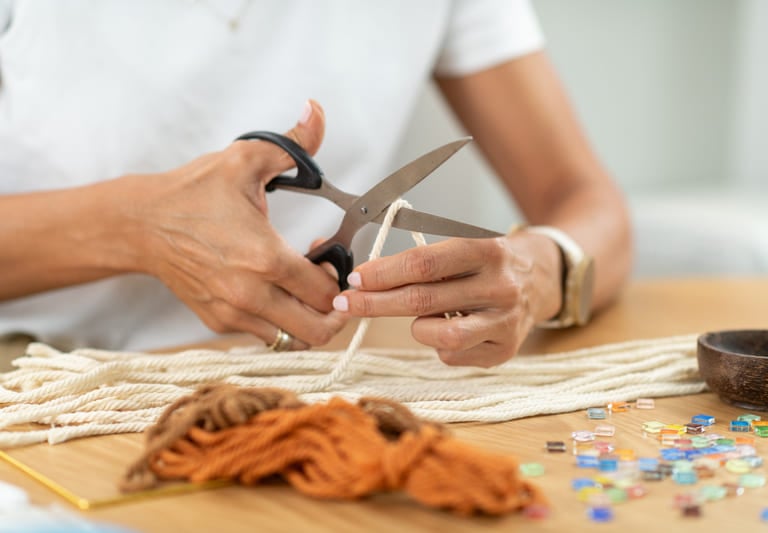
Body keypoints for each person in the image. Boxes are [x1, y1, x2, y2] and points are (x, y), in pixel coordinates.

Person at [0, 0, 631, 368]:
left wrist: (540, 271)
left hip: (288, 379)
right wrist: (135, 226)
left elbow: (588, 203)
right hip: (31, 380)